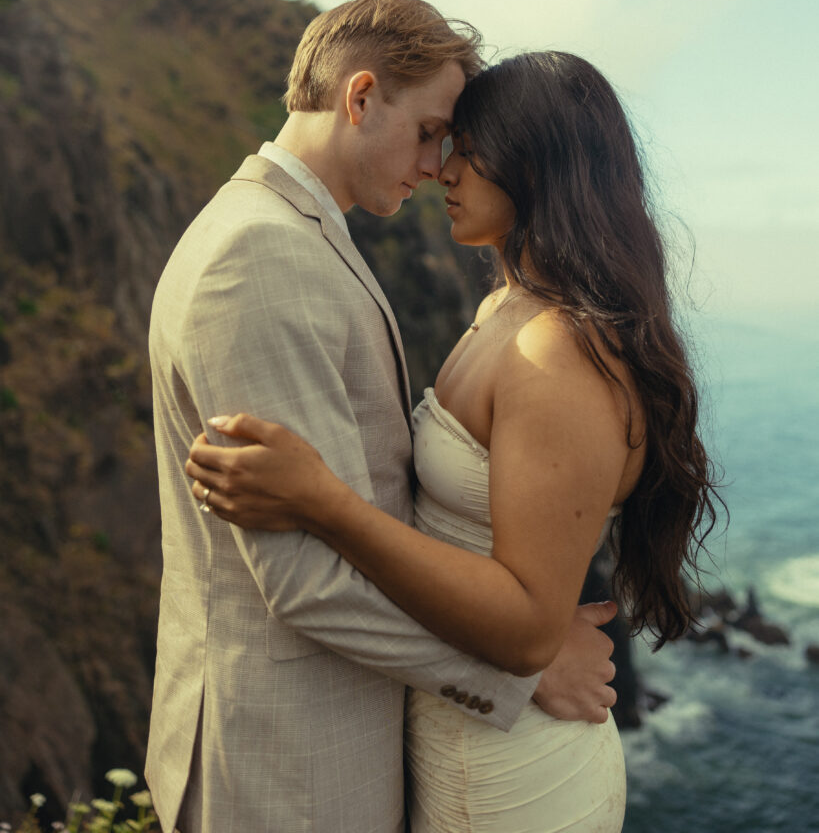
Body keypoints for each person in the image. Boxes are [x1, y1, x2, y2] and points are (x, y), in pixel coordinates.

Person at [185, 50, 723, 832]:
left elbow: (530, 627)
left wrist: (323, 503)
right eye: (443, 143)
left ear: (536, 165)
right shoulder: (504, 307)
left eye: (466, 149)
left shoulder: (557, 353)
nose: (442, 169)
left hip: (516, 777)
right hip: (459, 745)